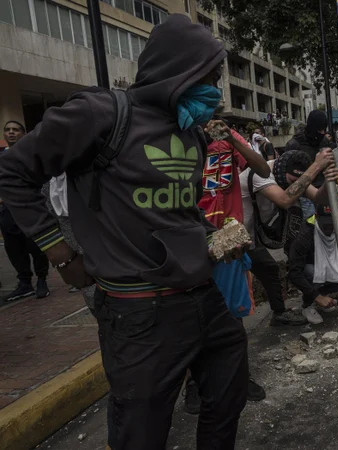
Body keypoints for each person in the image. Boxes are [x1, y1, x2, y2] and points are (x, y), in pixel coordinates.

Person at [0, 15, 250, 449]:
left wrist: (214, 235)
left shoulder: (190, 132)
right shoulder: (99, 114)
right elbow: (13, 173)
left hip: (203, 296)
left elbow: (177, 210)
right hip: (139, 312)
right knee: (141, 433)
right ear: (178, 71)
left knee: (228, 396)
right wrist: (60, 253)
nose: (215, 91)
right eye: (207, 78)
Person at [181, 118, 272, 414]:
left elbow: (262, 169)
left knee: (233, 312)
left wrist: (232, 140)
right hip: (192, 237)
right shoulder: (180, 138)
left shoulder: (226, 138)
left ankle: (239, 376)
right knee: (194, 316)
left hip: (228, 236)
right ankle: (195, 384)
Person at [240, 149, 338, 325]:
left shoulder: (292, 175)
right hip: (239, 237)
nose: (295, 183)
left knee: (270, 270)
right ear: (280, 171)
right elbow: (285, 199)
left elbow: (318, 197)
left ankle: (279, 314)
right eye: (292, 180)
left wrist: (328, 182)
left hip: (254, 237)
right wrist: (316, 166)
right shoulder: (260, 173)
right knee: (238, 285)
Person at [1, 120, 50, 301]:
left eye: (15, 130)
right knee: (14, 248)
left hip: (31, 209)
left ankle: (42, 280)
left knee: (36, 247)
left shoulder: (31, 155)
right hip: (8, 211)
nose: (11, 133)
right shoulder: (2, 156)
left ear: (23, 133)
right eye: (8, 130)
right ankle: (24, 283)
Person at [286, 204, 338, 324]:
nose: (329, 228)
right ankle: (308, 304)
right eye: (326, 224)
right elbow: (293, 272)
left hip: (331, 268)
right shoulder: (305, 234)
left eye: (332, 224)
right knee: (311, 271)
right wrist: (317, 296)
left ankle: (321, 297)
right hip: (312, 271)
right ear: (316, 217)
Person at [285, 110, 331, 220]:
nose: (322, 133)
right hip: (304, 195)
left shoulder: (323, 141)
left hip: (323, 191)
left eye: (324, 130)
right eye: (319, 130)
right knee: (309, 226)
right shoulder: (294, 144)